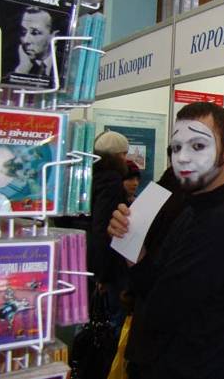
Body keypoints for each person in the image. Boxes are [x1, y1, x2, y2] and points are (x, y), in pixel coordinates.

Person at [108, 102, 224, 379]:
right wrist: (129, 240)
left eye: (198, 146)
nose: (183, 158)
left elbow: (161, 311)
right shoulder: (195, 209)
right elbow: (153, 286)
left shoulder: (223, 222)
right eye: (177, 147)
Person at [91, 130, 130, 336]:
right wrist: (104, 275)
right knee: (114, 318)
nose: (126, 158)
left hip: (91, 259)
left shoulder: (91, 177)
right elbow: (103, 227)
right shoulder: (112, 181)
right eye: (124, 154)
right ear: (117, 155)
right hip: (109, 263)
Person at [14, 6, 58, 77]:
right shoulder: (12, 61)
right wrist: (23, 69)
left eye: (35, 33)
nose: (25, 40)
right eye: (23, 32)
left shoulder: (65, 61)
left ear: (54, 36)